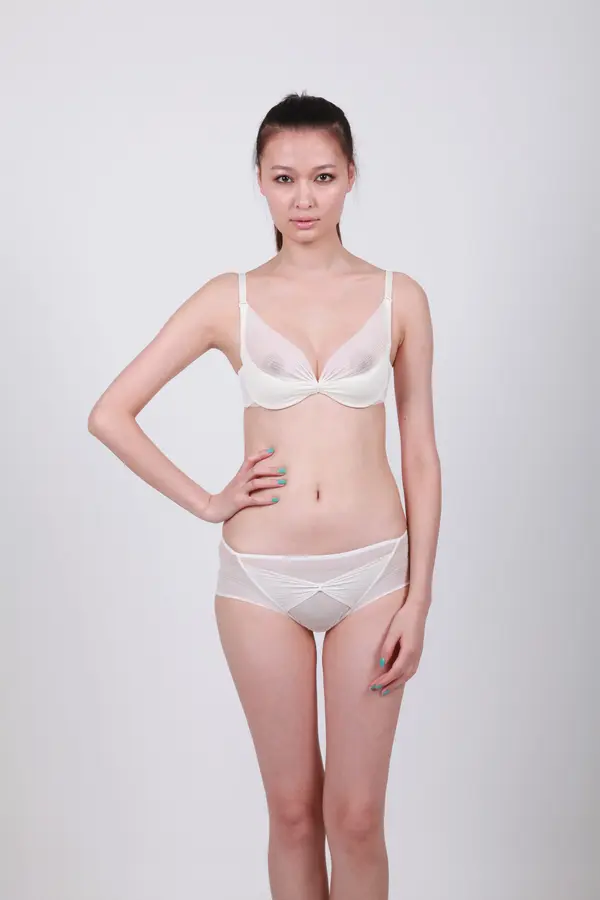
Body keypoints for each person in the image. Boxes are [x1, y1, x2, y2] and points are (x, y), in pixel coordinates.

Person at [88, 91, 442, 900]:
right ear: (259, 180)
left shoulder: (401, 297)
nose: (303, 198)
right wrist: (207, 501)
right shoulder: (230, 298)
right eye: (284, 178)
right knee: (291, 814)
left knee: (357, 818)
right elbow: (110, 413)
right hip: (259, 583)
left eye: (322, 176)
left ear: (351, 176)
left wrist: (419, 599)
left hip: (374, 577)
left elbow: (420, 455)